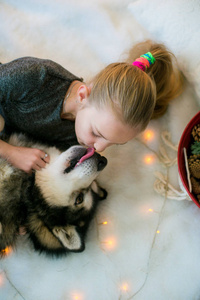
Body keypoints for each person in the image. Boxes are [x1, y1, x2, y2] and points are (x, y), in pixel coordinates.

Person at [0, 40, 183, 173]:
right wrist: (10, 152)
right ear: (82, 95)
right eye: (97, 133)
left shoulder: (80, 133)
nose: (100, 148)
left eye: (114, 143)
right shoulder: (33, 77)